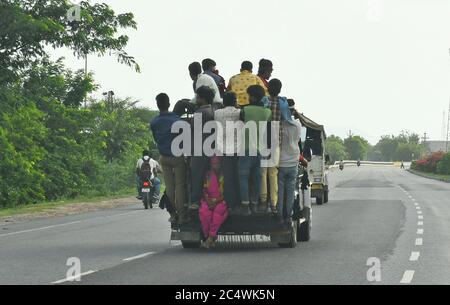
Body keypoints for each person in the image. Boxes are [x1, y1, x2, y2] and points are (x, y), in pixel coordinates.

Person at [150, 93, 188, 224]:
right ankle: (182, 216)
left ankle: (172, 214)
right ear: (169, 104)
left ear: (158, 105)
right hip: (178, 157)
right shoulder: (178, 120)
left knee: (170, 187)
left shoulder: (154, 122)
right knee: (180, 186)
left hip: (164, 157)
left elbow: (156, 139)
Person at [238, 85, 272, 214]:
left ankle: (245, 206)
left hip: (246, 149)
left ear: (252, 97)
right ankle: (255, 204)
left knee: (244, 177)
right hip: (261, 151)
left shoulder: (245, 110)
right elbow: (268, 132)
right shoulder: (267, 112)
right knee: (257, 178)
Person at [260, 79, 289, 213]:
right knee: (273, 173)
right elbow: (287, 120)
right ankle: (274, 203)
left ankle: (263, 200)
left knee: (263, 172)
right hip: (276, 140)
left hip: (264, 138)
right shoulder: (283, 103)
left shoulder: (264, 102)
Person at [214, 92, 242, 213]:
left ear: (223, 102)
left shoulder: (217, 113)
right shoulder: (239, 113)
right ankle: (240, 203)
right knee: (239, 177)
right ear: (235, 101)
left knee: (228, 177)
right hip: (238, 149)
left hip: (224, 150)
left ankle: (230, 204)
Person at [189, 86, 215, 211]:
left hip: (199, 149)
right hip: (210, 149)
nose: (196, 99)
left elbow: (193, 130)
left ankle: (195, 201)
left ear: (202, 99)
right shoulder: (212, 111)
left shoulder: (199, 113)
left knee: (196, 176)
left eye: (197, 97)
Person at [277, 101, 302, 224]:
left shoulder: (279, 125)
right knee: (290, 192)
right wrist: (295, 113)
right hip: (293, 162)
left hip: (281, 162)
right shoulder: (297, 125)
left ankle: (280, 216)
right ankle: (288, 216)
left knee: (280, 192)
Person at [199, 156, 229, 249]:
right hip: (208, 200)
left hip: (220, 200)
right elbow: (204, 190)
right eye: (213, 164)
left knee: (218, 213)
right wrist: (208, 201)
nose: (215, 166)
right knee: (204, 212)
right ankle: (208, 236)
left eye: (217, 164)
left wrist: (216, 201)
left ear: (221, 164)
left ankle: (211, 237)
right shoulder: (208, 175)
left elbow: (227, 192)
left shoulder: (225, 175)